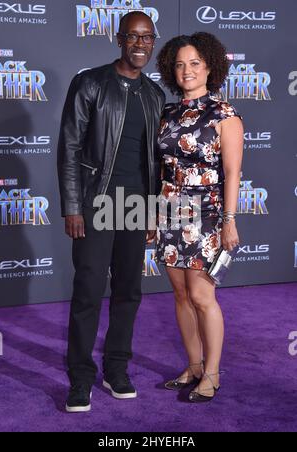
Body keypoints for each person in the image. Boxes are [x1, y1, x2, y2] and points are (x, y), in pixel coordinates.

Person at [57, 11, 165, 413]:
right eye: (133, 37)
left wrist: (154, 211)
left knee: (128, 292)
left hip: (135, 205)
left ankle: (116, 368)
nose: (140, 45)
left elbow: (154, 161)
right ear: (119, 39)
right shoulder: (91, 83)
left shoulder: (154, 95)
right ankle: (80, 377)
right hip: (96, 201)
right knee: (88, 291)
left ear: (153, 43)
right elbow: (68, 147)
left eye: (147, 38)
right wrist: (73, 206)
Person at [156, 32, 244, 402]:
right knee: (179, 293)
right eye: (179, 64)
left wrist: (229, 219)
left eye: (194, 63)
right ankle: (192, 365)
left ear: (210, 66)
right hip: (168, 210)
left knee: (201, 294)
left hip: (206, 214)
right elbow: (159, 169)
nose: (186, 70)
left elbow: (233, 173)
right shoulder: (168, 112)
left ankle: (212, 373)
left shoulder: (225, 115)